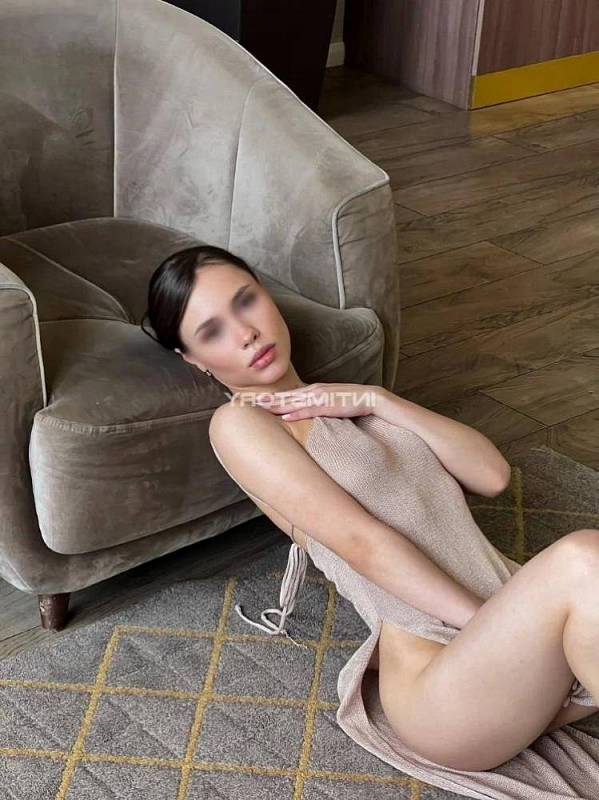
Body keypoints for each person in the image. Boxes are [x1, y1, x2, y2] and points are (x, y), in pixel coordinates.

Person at [141, 244, 599, 798]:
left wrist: (378, 400)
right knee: (583, 558)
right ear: (192, 358)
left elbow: (493, 475)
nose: (246, 333)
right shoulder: (239, 425)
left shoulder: (344, 400)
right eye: (212, 331)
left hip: (509, 636)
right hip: (441, 684)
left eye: (246, 302)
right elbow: (362, 544)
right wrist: (489, 628)